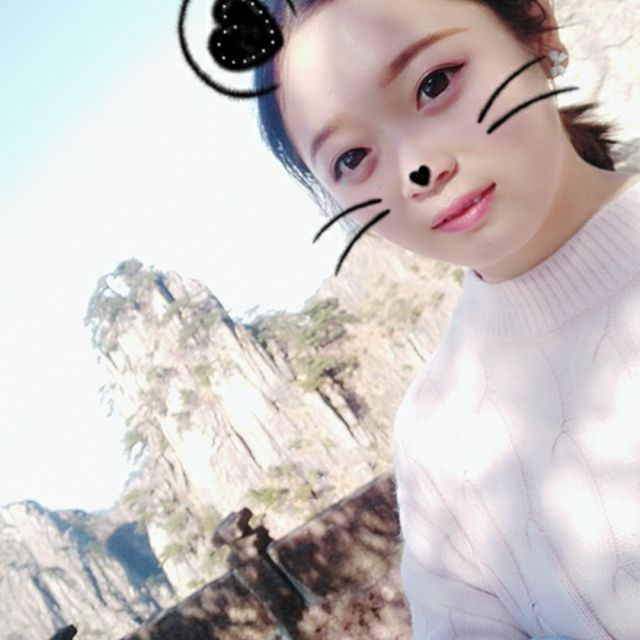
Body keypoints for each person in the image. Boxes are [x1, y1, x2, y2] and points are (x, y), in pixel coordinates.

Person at [251, 0, 640, 637]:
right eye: (352, 158)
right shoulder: (438, 442)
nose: (417, 169)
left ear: (535, 26)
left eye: (434, 83)